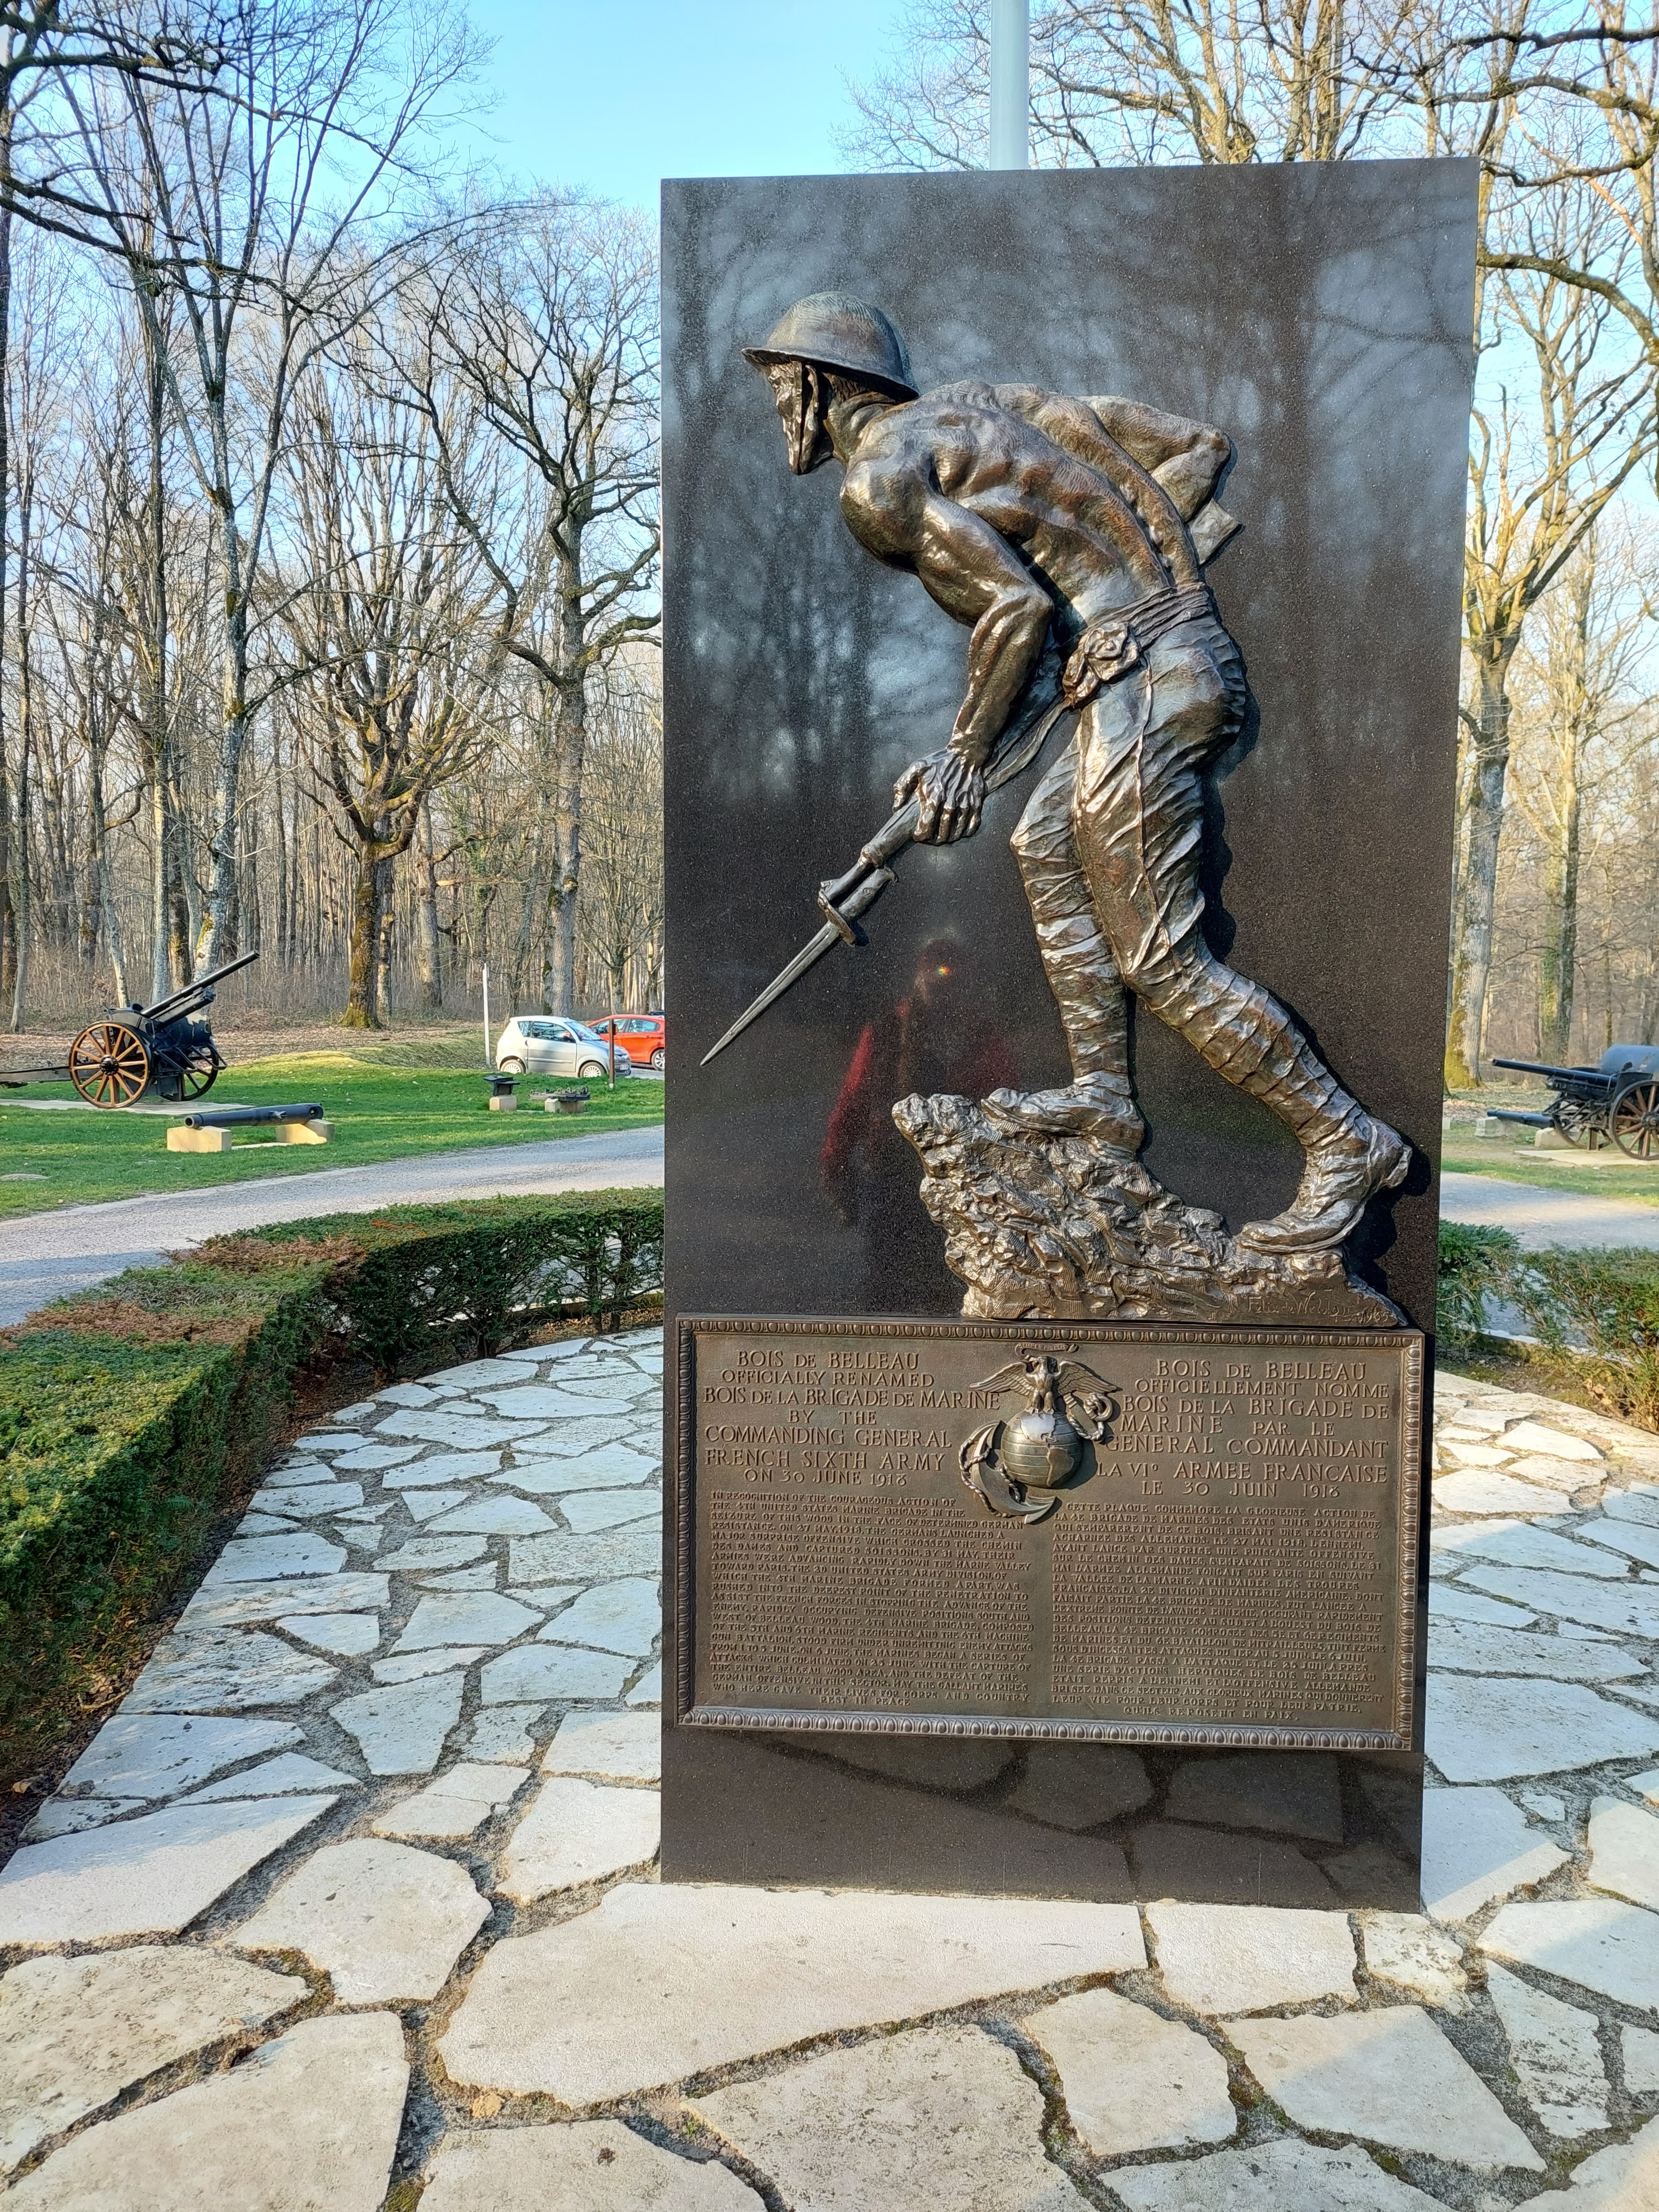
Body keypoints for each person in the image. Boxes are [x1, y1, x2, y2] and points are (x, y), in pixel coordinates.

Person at [744, 291, 1408, 1252]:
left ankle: (1347, 1137)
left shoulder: (879, 479)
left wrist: (968, 752)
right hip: (1158, 662)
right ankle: (1104, 1095)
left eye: (778, 383)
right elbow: (1199, 448)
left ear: (817, 384)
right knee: (1043, 842)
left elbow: (1013, 609)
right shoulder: (985, 407)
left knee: (1160, 957)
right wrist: (1136, 591)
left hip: (1155, 682)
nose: (775, 404)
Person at [821, 936, 1016, 1304]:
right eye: (935, 977)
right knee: (888, 1290)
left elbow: (1007, 1113)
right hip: (892, 1178)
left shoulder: (982, 1039)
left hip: (960, 1184)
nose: (943, 990)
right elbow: (853, 1103)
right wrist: (836, 1166)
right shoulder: (886, 1032)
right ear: (919, 978)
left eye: (952, 980)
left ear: (966, 984)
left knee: (950, 1293)